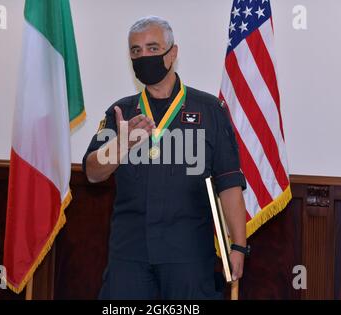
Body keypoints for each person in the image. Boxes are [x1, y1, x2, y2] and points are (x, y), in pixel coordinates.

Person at [83, 16, 248, 300]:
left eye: (152, 48)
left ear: (172, 53)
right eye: (136, 51)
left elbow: (229, 184)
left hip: (189, 255)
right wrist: (119, 146)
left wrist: (238, 247)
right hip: (130, 255)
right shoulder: (121, 113)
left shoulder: (210, 110)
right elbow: (92, 172)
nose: (143, 56)